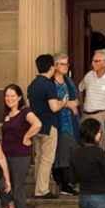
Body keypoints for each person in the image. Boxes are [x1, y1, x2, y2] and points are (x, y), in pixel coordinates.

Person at [0, 84, 42, 208]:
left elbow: (37, 124)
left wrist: (27, 136)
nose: (9, 99)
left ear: (19, 97)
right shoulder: (6, 115)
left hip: (20, 155)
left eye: (12, 96)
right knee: (2, 181)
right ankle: (10, 205)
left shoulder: (25, 112)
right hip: (6, 155)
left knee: (18, 186)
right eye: (7, 96)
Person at [28, 54, 69, 199]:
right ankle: (42, 190)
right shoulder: (48, 84)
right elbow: (53, 107)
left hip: (35, 126)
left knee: (39, 157)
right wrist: (63, 102)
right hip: (49, 125)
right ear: (52, 67)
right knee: (47, 159)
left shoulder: (32, 84)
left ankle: (38, 188)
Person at [79, 49, 105, 148]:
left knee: (100, 145)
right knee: (84, 145)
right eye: (93, 60)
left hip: (102, 116)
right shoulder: (89, 75)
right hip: (85, 115)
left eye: (96, 61)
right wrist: (80, 107)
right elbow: (80, 89)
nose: (92, 63)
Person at [52, 53, 80, 196]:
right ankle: (63, 184)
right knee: (61, 154)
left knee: (71, 151)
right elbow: (52, 104)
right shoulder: (50, 83)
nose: (66, 66)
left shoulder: (69, 81)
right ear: (55, 66)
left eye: (67, 64)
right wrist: (68, 104)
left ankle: (67, 183)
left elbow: (76, 101)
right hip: (57, 122)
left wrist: (68, 104)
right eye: (62, 64)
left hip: (71, 122)